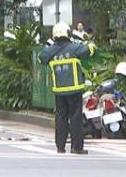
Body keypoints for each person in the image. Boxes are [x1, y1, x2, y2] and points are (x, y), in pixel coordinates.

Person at [40, 21, 96, 155]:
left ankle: (60, 147)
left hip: (59, 91)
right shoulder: (75, 47)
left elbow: (41, 58)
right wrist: (87, 42)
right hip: (74, 89)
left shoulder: (50, 51)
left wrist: (49, 46)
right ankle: (77, 147)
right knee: (75, 118)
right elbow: (91, 49)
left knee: (60, 118)